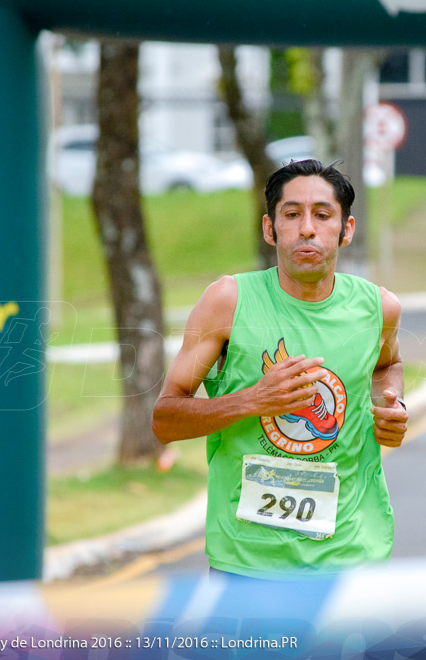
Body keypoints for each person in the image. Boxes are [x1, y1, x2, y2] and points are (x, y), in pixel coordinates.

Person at [151, 159, 408, 579]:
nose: (307, 228)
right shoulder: (228, 301)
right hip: (248, 563)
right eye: (292, 214)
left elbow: (388, 364)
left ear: (347, 230)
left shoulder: (379, 308)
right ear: (270, 229)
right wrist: (253, 400)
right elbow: (165, 420)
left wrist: (391, 405)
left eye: (323, 215)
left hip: (352, 554)